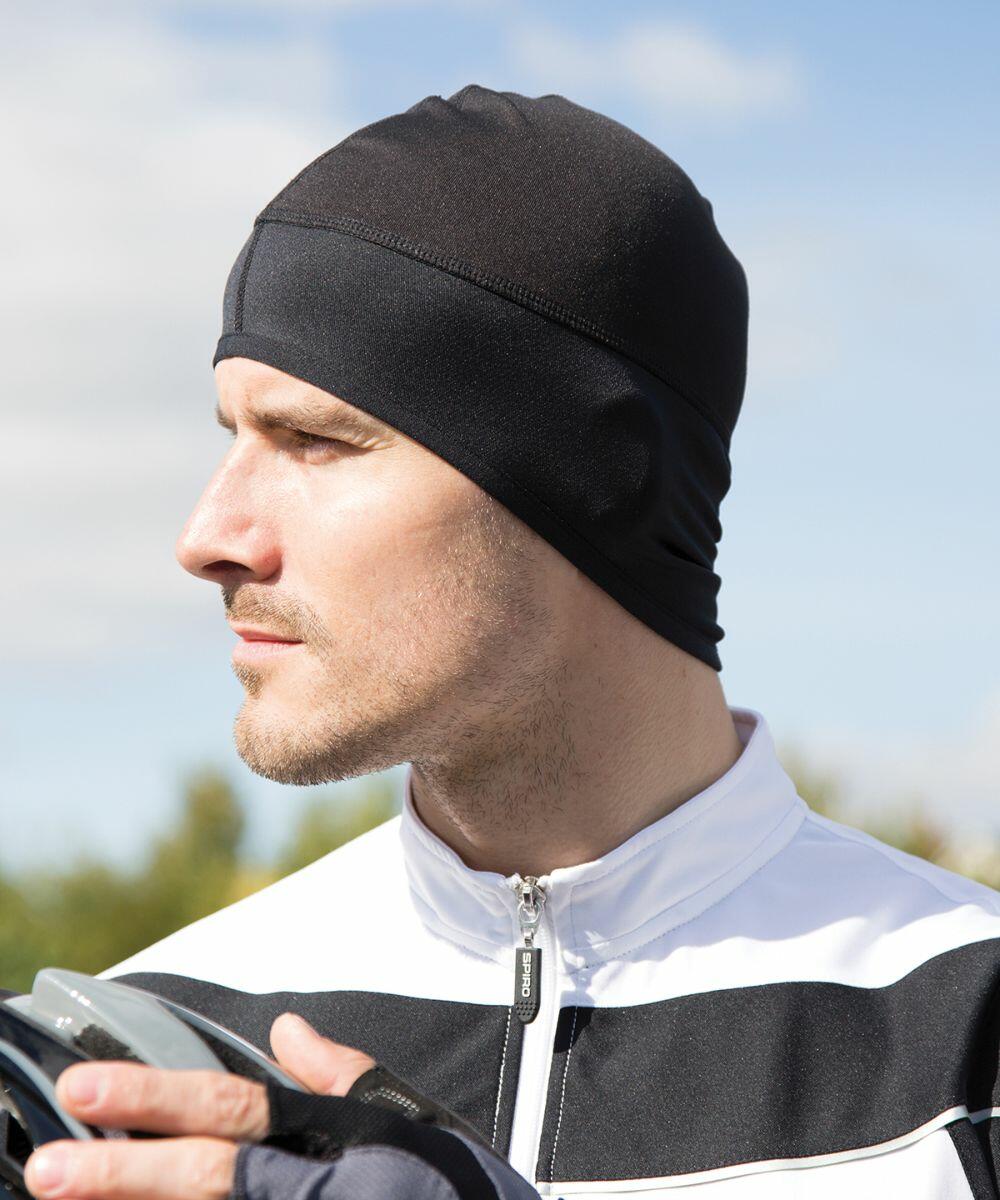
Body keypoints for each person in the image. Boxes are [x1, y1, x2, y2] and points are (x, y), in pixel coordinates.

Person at [21, 84, 1000, 1199]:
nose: (209, 538)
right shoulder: (158, 1052)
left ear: (593, 478)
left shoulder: (969, 1026)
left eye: (312, 440)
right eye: (231, 434)